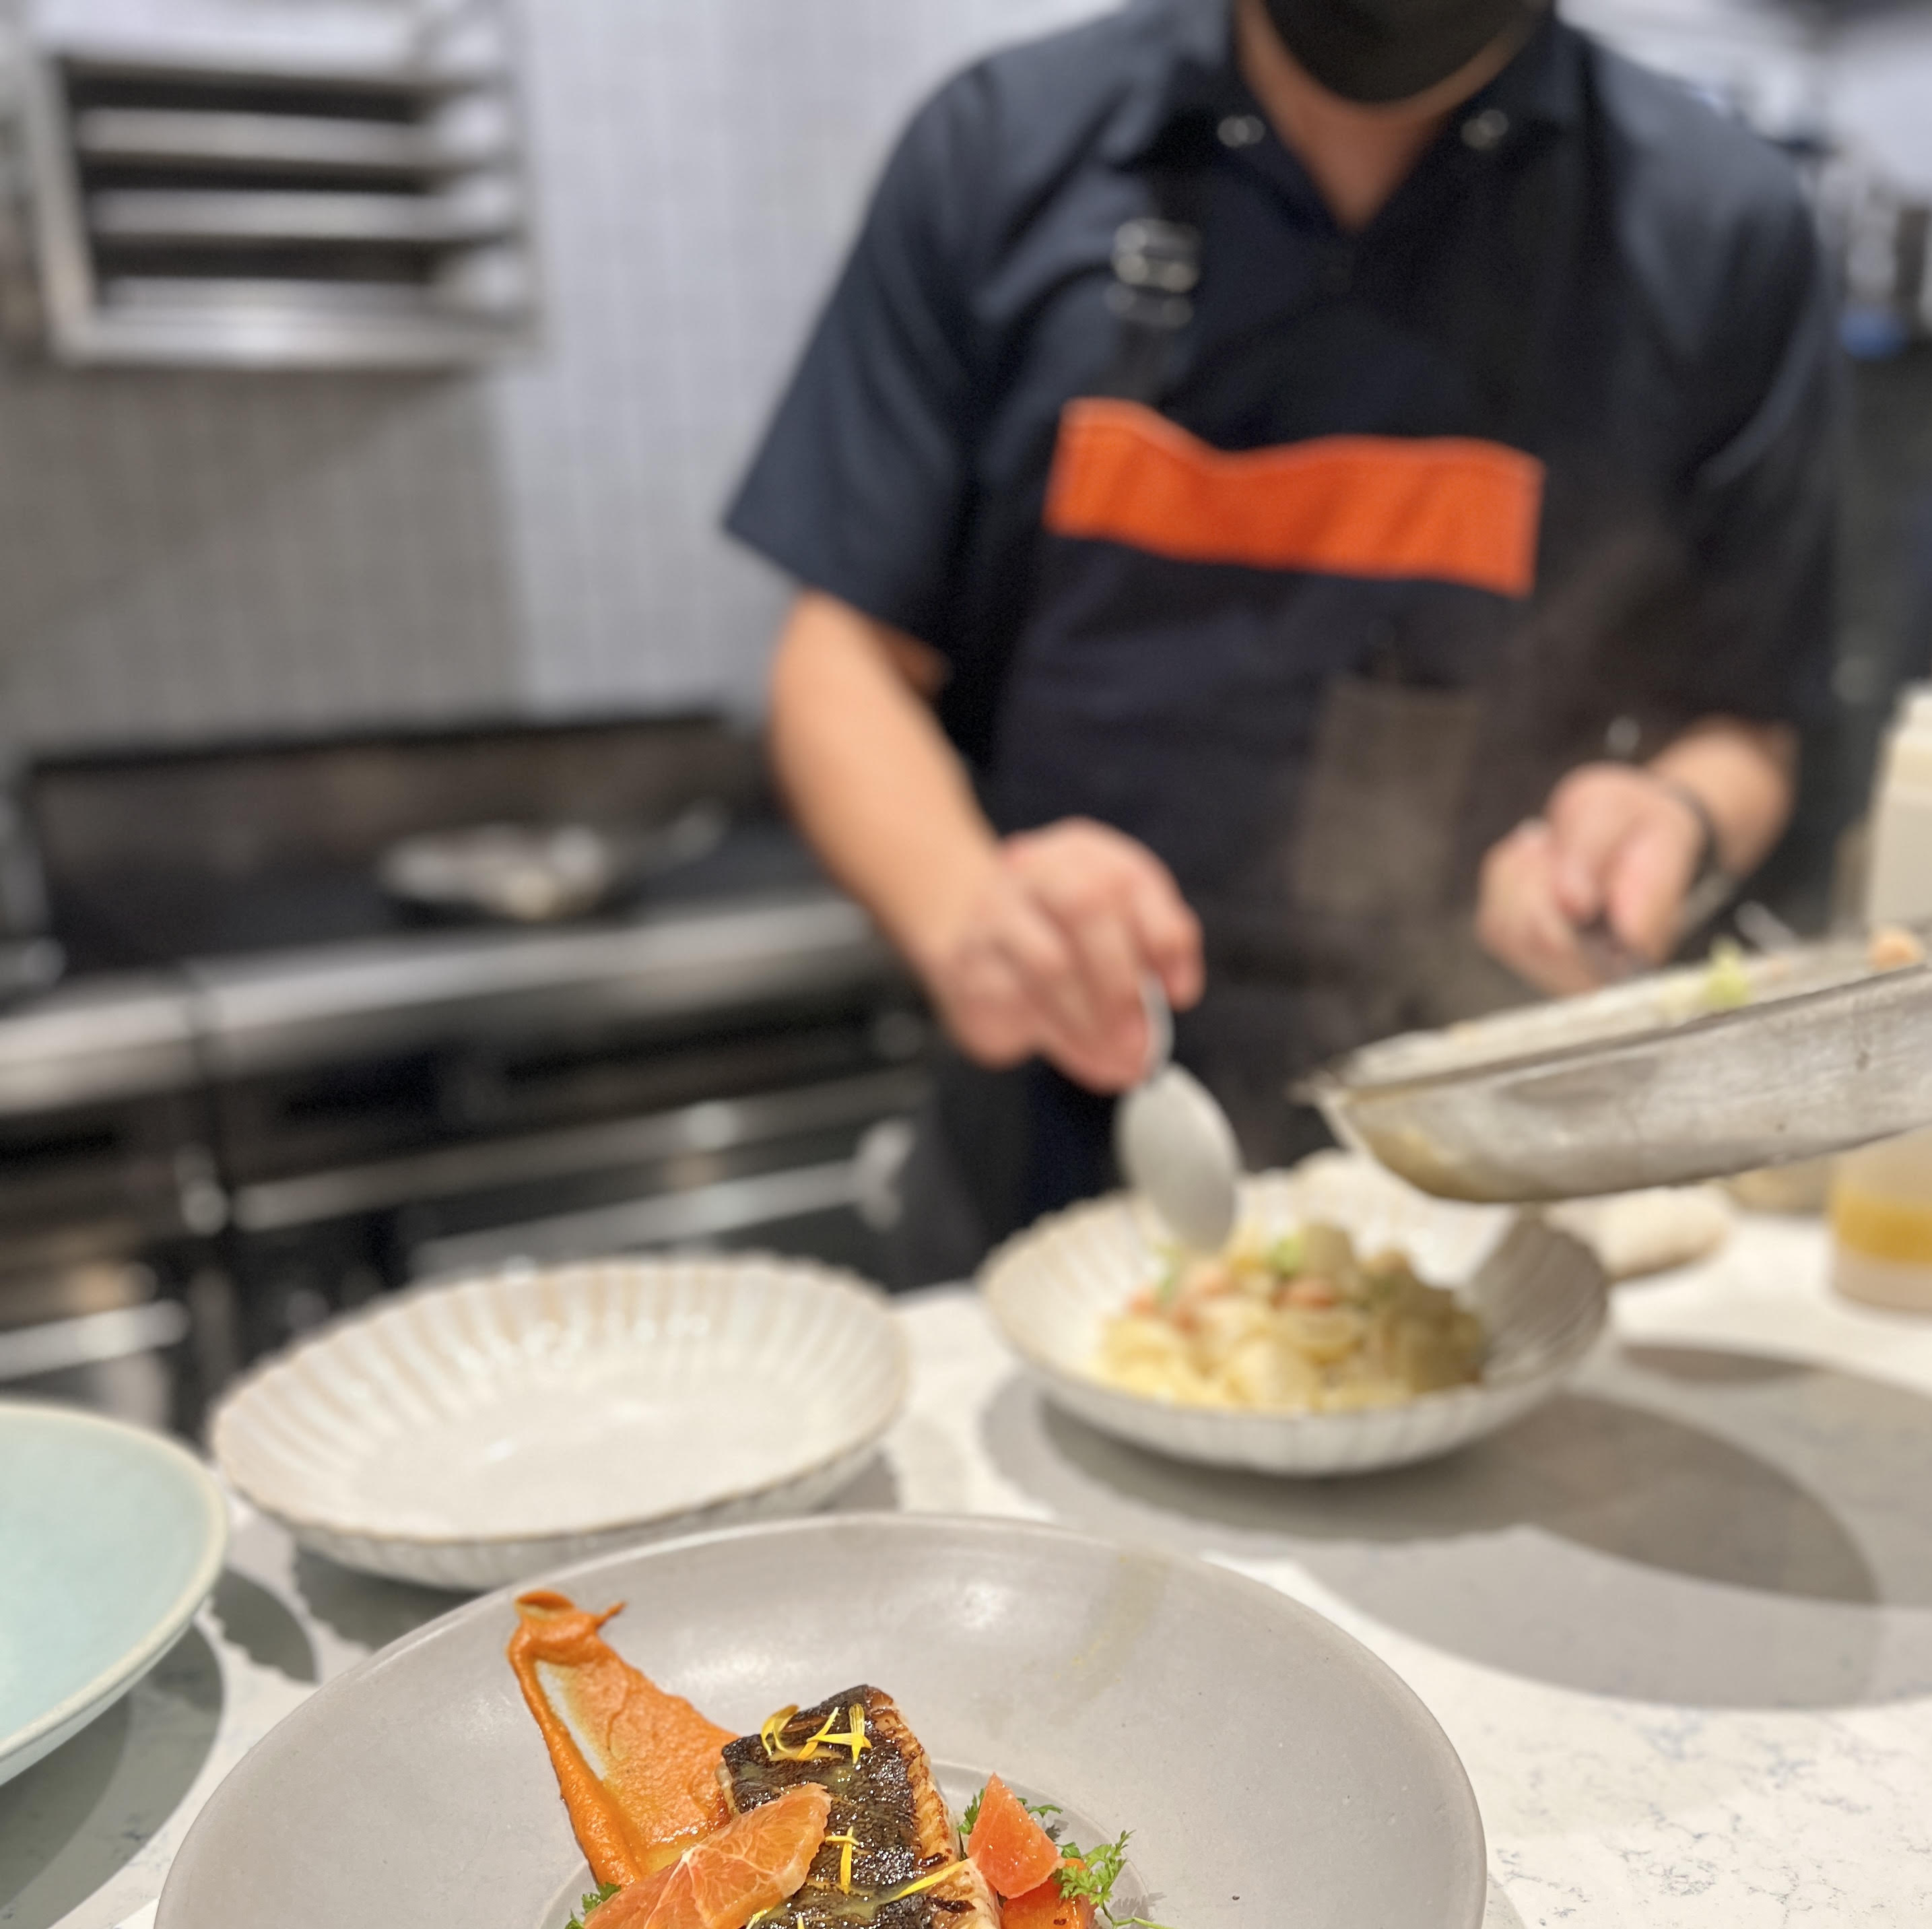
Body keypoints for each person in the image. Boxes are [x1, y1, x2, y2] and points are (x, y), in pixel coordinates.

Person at [726, 0, 1839, 1280]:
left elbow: (1747, 722)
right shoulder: (1005, 151)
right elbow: (842, 656)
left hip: (1483, 1169)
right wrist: (967, 911)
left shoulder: (1718, 226)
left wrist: (1665, 824)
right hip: (1050, 1135)